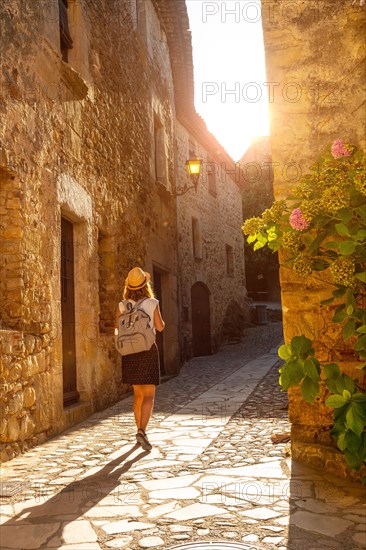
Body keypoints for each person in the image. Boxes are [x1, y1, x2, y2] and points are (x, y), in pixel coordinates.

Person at [115, 267, 165, 451]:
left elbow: (117, 328)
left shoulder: (122, 305)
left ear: (129, 286)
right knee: (149, 395)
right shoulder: (152, 303)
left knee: (137, 394)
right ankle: (143, 431)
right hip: (148, 350)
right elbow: (159, 327)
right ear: (146, 285)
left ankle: (138, 430)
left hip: (130, 353)